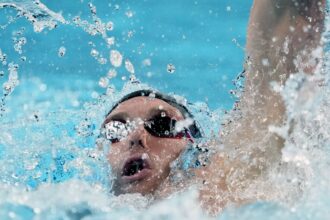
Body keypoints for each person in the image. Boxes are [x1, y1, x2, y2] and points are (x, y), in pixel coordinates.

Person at [100, 0, 326, 214]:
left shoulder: (223, 191)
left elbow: (280, 48)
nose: (136, 137)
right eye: (116, 130)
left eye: (162, 124)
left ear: (194, 148)